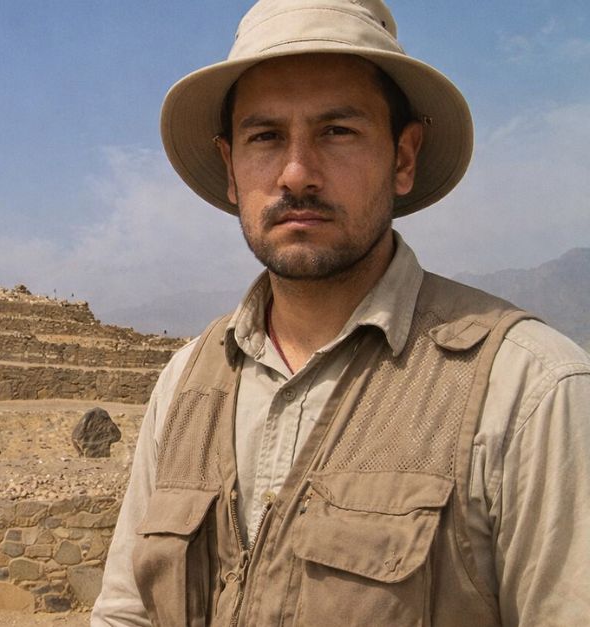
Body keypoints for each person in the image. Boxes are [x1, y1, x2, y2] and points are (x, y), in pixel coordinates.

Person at [91, 0, 590, 625]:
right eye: (265, 136)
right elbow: (126, 611)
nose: (297, 173)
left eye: (337, 131)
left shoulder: (528, 392)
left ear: (403, 157)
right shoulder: (184, 385)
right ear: (230, 168)